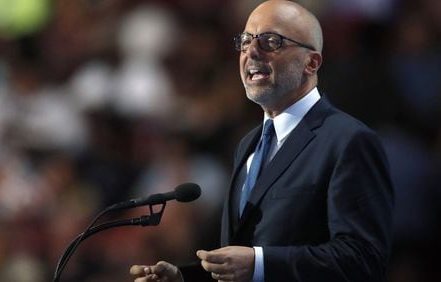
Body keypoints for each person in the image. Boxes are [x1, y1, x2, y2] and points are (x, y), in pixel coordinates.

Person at [130, 0, 394, 281]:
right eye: (245, 41)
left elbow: (364, 259)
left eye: (271, 41)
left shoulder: (348, 141)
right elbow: (241, 260)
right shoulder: (248, 145)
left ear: (311, 62)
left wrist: (259, 263)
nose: (251, 52)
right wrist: (186, 278)